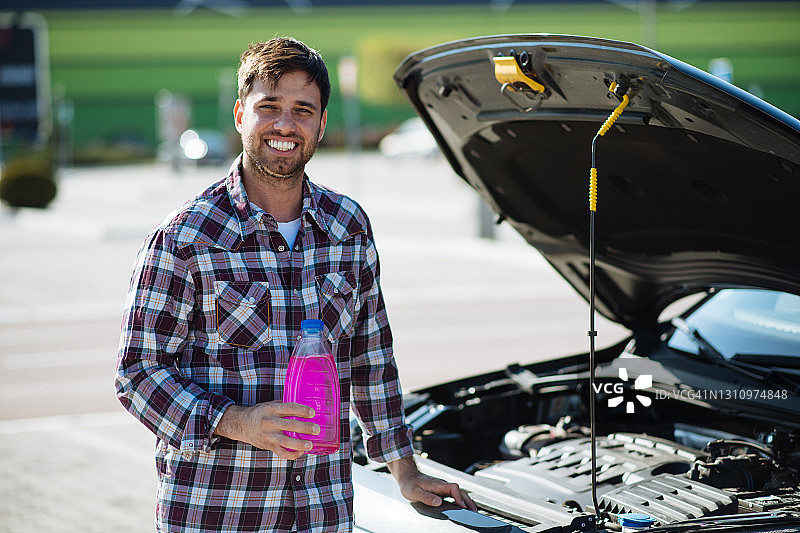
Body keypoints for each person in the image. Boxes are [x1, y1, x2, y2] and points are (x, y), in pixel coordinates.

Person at [115, 36, 475, 533]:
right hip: (218, 513)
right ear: (241, 114)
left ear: (322, 123)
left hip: (322, 511)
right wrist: (237, 422)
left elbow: (369, 358)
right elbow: (137, 375)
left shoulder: (348, 226)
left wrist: (405, 470)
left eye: (303, 110)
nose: (285, 124)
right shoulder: (185, 238)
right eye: (269, 107)